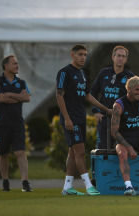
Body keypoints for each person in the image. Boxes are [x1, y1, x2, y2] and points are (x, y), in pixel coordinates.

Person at [56, 44, 111, 196]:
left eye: (85, 55)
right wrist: (67, 118)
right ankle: (88, 186)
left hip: (80, 118)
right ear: (72, 55)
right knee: (80, 151)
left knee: (73, 153)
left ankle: (67, 187)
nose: (83, 57)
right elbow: (59, 95)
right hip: (70, 119)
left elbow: (87, 96)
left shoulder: (82, 74)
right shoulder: (64, 72)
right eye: (80, 54)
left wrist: (105, 109)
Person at [0, 55, 32, 192]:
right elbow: (1, 98)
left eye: (18, 64)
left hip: (17, 124)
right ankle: (5, 182)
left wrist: (9, 95)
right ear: (6, 66)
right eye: (14, 64)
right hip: (1, 124)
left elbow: (27, 98)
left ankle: (25, 183)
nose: (17, 66)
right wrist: (18, 97)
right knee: (3, 154)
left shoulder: (21, 82)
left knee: (20, 152)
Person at [91, 46, 134, 149]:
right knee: (103, 150)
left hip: (121, 120)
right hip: (104, 119)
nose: (121, 58)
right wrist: (96, 111)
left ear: (126, 59)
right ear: (113, 57)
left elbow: (134, 98)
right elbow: (93, 91)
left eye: (123, 56)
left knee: (120, 151)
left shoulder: (130, 76)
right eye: (118, 56)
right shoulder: (104, 73)